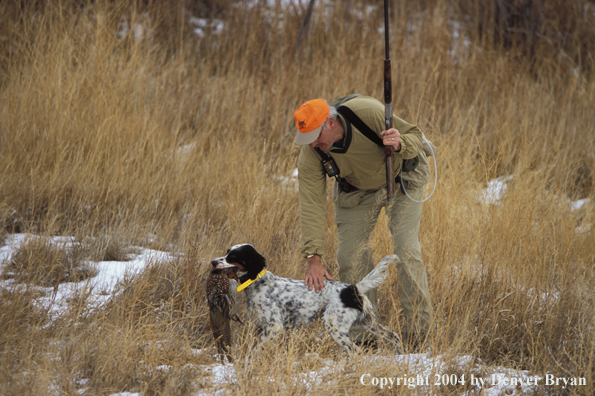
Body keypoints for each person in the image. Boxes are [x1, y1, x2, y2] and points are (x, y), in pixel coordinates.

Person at [293, 94, 434, 348]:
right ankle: (366, 338)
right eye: (308, 140)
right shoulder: (312, 153)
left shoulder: (366, 112)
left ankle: (419, 336)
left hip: (402, 178)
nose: (313, 145)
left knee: (406, 248)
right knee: (350, 256)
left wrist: (400, 143)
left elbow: (415, 135)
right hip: (357, 188)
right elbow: (311, 202)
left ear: (330, 123)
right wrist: (313, 256)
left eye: (315, 136)